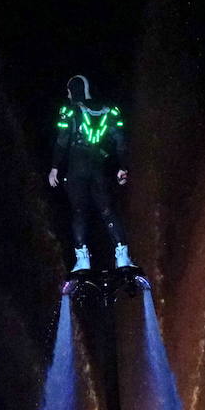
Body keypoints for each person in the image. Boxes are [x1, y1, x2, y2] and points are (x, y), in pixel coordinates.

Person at [48, 74, 134, 272]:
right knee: (107, 210)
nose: (68, 94)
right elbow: (120, 141)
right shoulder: (108, 111)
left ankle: (82, 259)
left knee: (79, 211)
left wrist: (54, 167)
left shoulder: (70, 110)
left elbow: (62, 140)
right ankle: (122, 255)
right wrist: (122, 167)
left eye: (69, 90)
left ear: (75, 90)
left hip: (76, 167)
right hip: (98, 168)